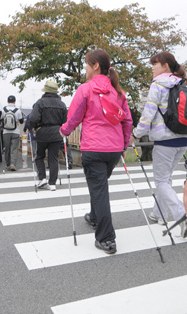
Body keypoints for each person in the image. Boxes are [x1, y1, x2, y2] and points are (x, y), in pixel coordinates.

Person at [60, 49, 133, 254]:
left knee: (99, 189)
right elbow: (127, 121)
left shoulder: (86, 89)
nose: (85, 68)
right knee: (99, 186)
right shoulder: (118, 91)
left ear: (95, 66)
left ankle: (106, 238)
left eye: (86, 64)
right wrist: (124, 145)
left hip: (94, 147)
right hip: (114, 149)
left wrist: (64, 130)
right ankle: (94, 216)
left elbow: (74, 117)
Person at [129, 51, 187, 238]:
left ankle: (181, 217)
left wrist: (135, 134)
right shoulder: (182, 83)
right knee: (166, 178)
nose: (152, 67)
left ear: (165, 66)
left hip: (164, 140)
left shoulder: (158, 84)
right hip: (183, 138)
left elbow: (148, 115)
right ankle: (159, 213)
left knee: (162, 181)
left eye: (155, 64)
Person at [26, 80, 67, 191]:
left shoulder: (40, 102)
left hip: (42, 132)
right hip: (57, 132)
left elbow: (34, 118)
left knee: (39, 156)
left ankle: (42, 178)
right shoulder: (62, 104)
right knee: (53, 158)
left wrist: (30, 126)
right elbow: (65, 120)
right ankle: (52, 183)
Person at [1, 95, 24, 171]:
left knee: (7, 149)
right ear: (15, 101)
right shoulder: (18, 110)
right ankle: (13, 164)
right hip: (15, 132)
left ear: (7, 101)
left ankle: (7, 164)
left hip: (6, 132)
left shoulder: (3, 110)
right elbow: (21, 121)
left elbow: (1, 119)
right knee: (14, 149)